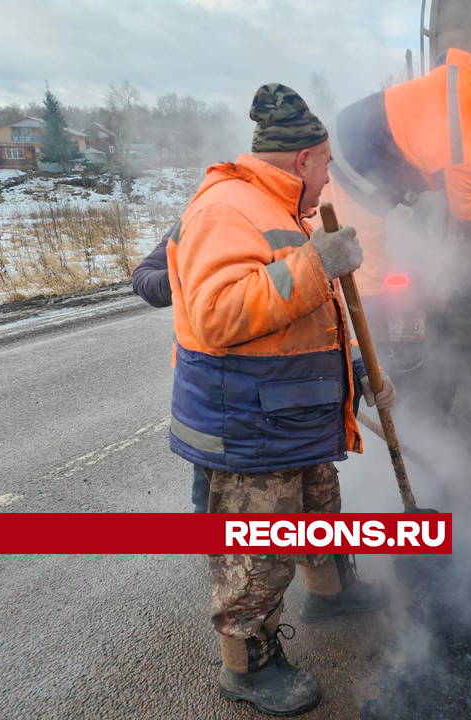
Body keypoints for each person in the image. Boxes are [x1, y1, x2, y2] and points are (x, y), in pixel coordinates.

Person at [167, 83, 394, 717]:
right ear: (304, 160)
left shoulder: (282, 206)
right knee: (257, 552)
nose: (329, 180)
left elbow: (309, 318)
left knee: (320, 506)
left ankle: (330, 588)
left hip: (292, 412)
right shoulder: (226, 208)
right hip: (249, 423)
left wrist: (356, 369)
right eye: (327, 166)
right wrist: (317, 265)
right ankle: (247, 663)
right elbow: (217, 313)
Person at [326, 48, 471, 340]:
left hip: (344, 127)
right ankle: (368, 358)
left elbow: (451, 53)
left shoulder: (462, 74)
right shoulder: (469, 153)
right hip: (354, 173)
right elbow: (467, 210)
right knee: (364, 274)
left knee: (322, 242)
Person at [132, 229, 213, 514]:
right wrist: (183, 276)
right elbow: (143, 277)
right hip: (207, 379)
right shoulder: (197, 219)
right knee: (209, 466)